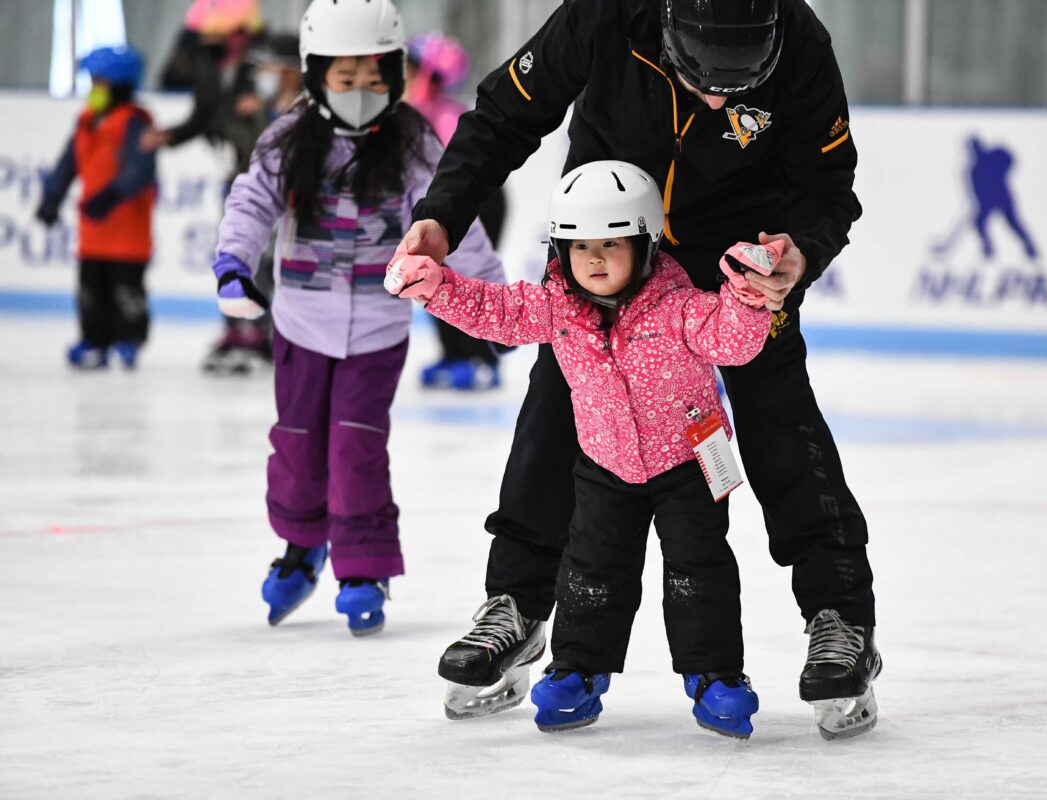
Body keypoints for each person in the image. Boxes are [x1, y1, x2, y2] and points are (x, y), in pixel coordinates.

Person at [395, 0, 882, 740]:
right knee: (557, 405)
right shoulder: (604, 13)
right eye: (702, 79)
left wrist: (799, 256)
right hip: (609, 243)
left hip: (740, 263)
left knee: (779, 414)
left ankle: (839, 615)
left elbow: (828, 188)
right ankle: (518, 605)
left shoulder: (803, 41)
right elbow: (504, 112)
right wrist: (442, 214)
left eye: (739, 84)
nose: (719, 100)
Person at [389, 160, 771, 737]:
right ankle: (577, 671)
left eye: (611, 244)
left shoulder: (680, 307)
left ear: (643, 243)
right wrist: (439, 289)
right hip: (604, 466)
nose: (593, 259)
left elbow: (732, 341)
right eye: (579, 246)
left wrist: (745, 296)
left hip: (687, 467)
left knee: (699, 571)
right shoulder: (557, 307)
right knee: (592, 573)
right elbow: (499, 311)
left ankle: (714, 675)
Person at [213, 0, 504, 636]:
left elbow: (454, 221)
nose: (361, 92)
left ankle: (364, 566)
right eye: (346, 79)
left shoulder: (413, 140)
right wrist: (233, 263)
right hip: (301, 323)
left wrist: (494, 301)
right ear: (318, 77)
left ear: (395, 77)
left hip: (377, 328)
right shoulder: (289, 137)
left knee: (355, 448)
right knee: (297, 443)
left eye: (375, 78)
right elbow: (251, 200)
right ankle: (300, 546)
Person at [145, 0, 275, 375]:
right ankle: (237, 326)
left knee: (264, 255)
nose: (211, 44)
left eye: (221, 36)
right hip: (233, 174)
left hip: (266, 175)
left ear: (242, 34)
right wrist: (169, 136)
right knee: (234, 250)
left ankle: (261, 329)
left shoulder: (265, 68)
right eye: (207, 38)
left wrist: (262, 106)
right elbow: (201, 112)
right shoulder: (210, 66)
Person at [36, 46, 156, 371]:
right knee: (91, 290)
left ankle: (128, 339)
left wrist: (112, 195)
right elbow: (68, 162)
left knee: (126, 290)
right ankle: (94, 339)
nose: (94, 88)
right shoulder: (87, 121)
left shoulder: (135, 122)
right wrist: (52, 197)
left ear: (119, 85)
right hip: (93, 230)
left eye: (100, 81)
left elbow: (140, 169)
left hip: (128, 231)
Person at [404, 31, 508, 392]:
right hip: (441, 202)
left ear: (430, 76)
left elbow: (462, 171)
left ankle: (482, 357)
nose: (402, 76)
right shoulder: (417, 112)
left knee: (467, 278)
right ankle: (453, 353)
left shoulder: (448, 115)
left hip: (476, 199)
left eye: (410, 69)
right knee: (432, 277)